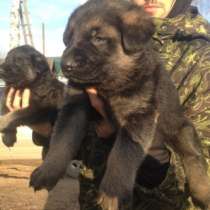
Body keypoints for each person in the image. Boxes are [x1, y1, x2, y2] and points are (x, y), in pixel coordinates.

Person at [5, 0, 210, 209]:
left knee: (187, 142)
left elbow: (141, 122)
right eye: (72, 39)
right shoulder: (99, 27)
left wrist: (148, 160)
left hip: (166, 199)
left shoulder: (200, 60)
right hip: (91, 200)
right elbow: (72, 121)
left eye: (98, 39)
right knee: (73, 109)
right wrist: (47, 138)